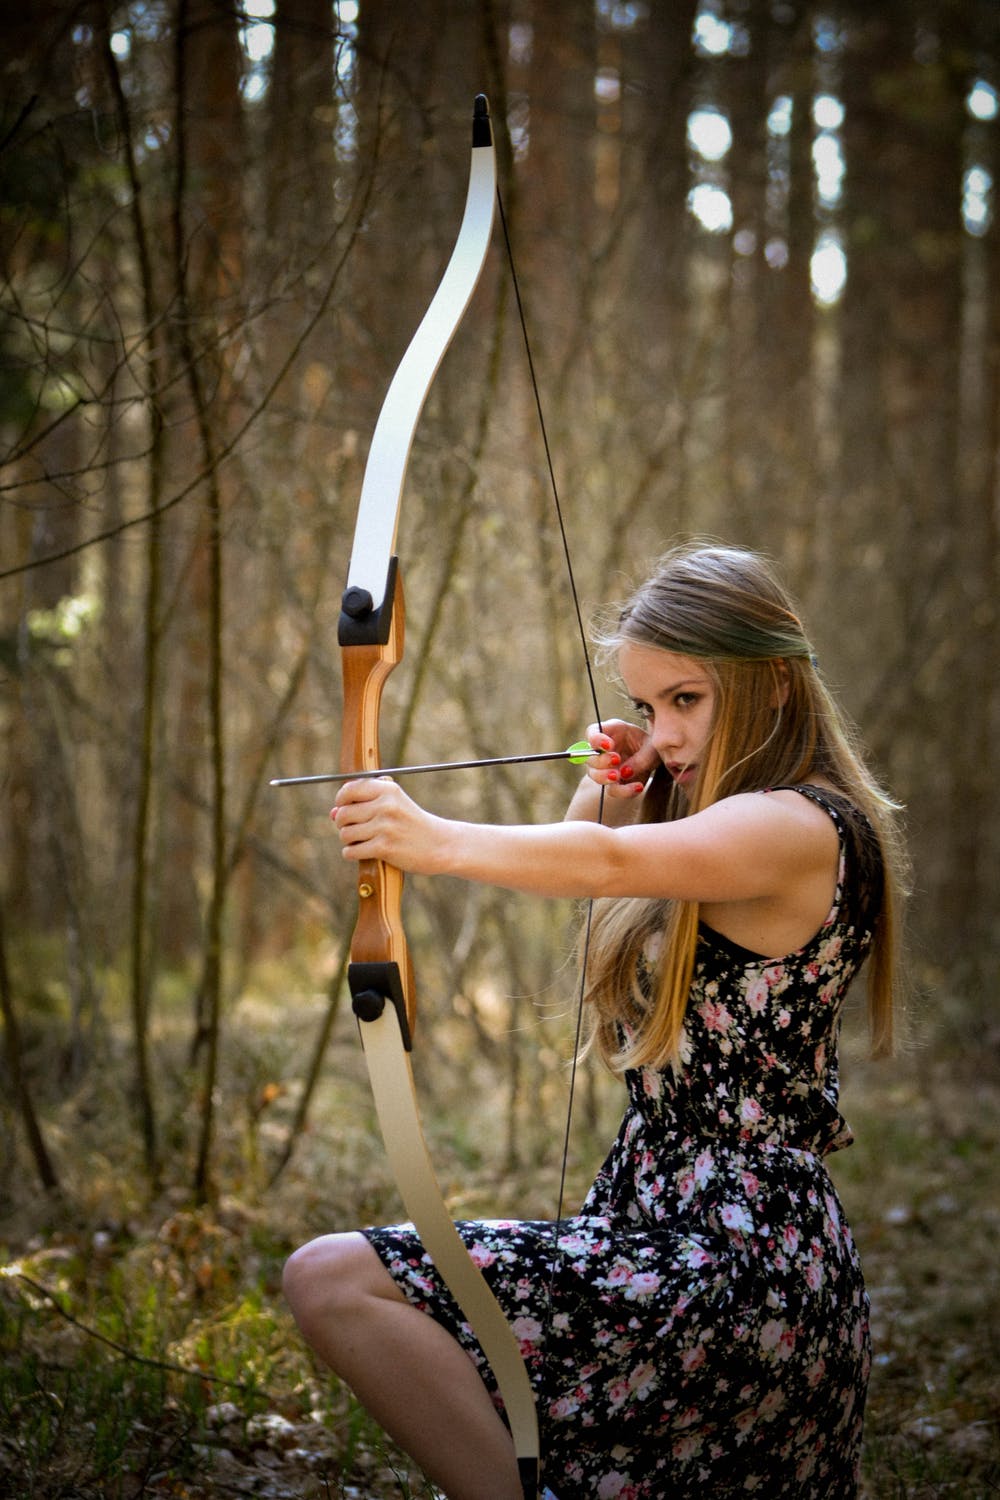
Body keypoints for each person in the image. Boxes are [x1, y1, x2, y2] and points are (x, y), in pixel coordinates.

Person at [283, 542, 907, 1500]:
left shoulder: (798, 826)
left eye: (687, 699)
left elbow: (607, 866)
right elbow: (607, 874)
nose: (666, 734)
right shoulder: (718, 822)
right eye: (648, 707)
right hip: (665, 1223)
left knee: (334, 1279)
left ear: (775, 682)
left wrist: (431, 838)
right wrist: (610, 791)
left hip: (737, 1266)